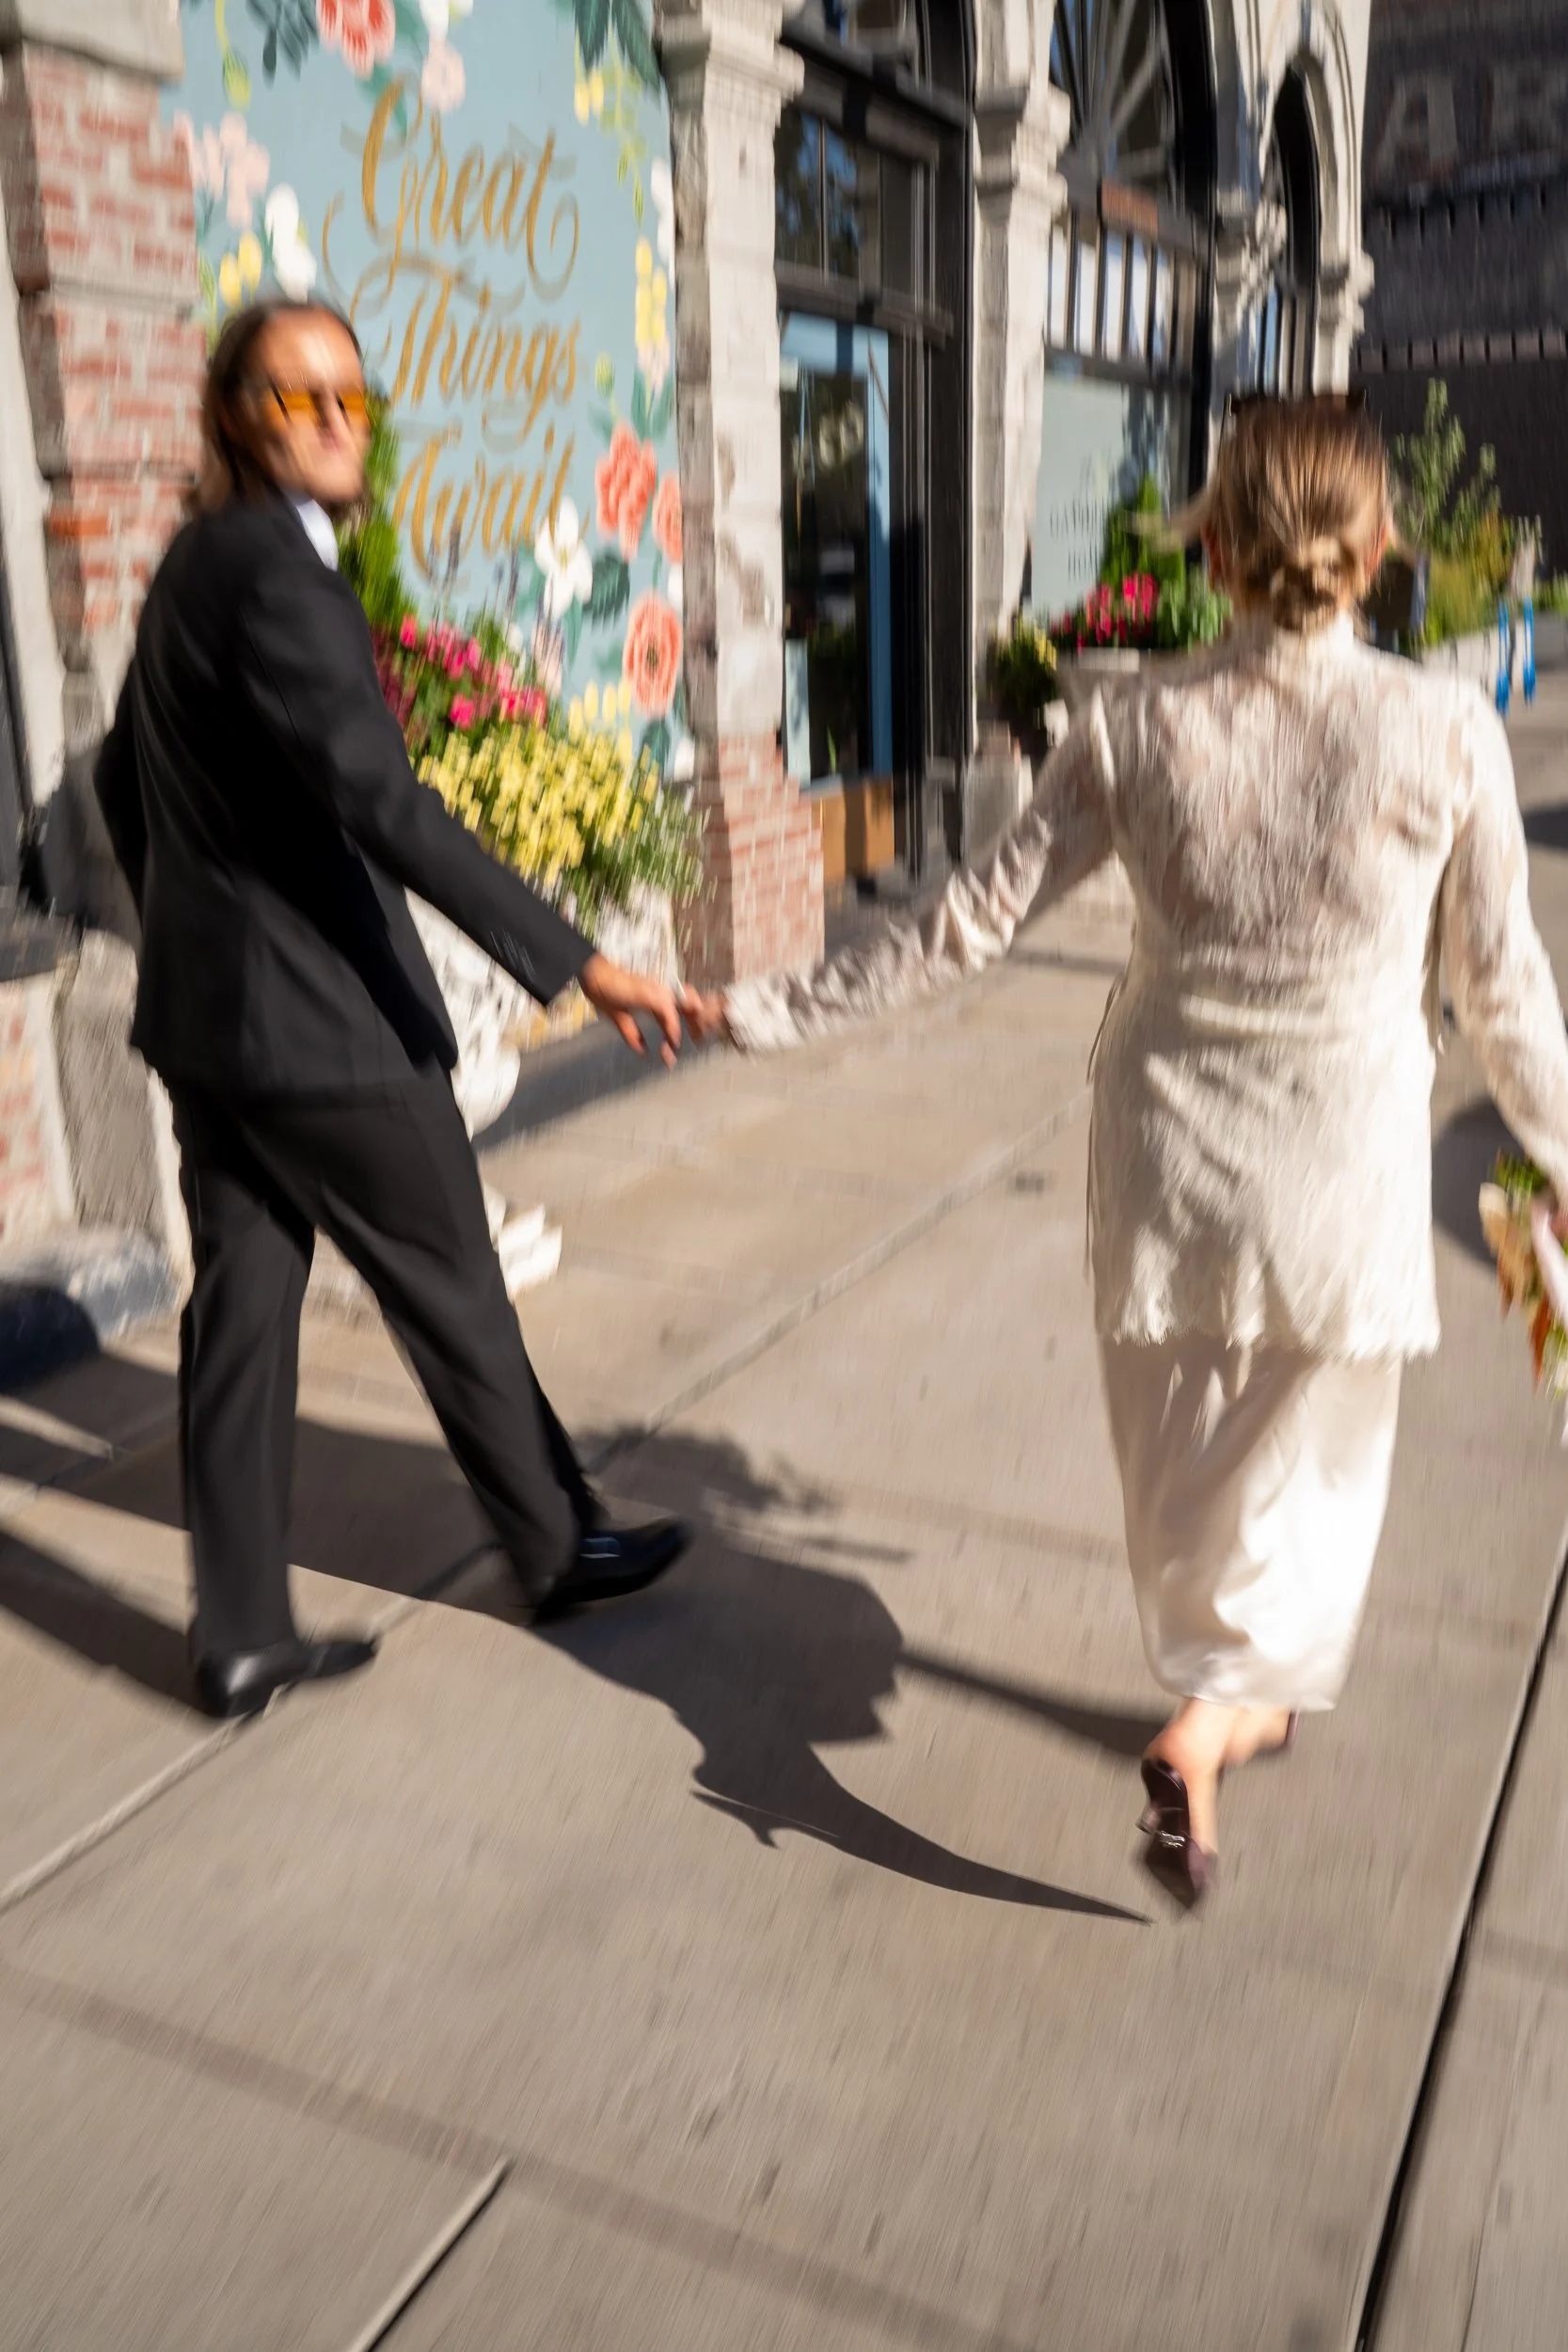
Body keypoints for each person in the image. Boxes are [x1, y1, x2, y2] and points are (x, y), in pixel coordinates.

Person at [685, 396, 1568, 1901]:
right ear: (1372, 554)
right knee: (1311, 1468)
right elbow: (1501, 987)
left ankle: (1224, 1692)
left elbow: (961, 923)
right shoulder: (1441, 727)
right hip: (1340, 1157)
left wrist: (747, 1008)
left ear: (1211, 547)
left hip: (1168, 1148)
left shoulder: (1134, 721)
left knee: (1177, 1462)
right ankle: (1219, 1714)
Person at [96, 296, 696, 1721]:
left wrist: (201, 920)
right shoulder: (282, 575)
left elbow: (128, 780)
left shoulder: (192, 564)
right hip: (325, 1034)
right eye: (295, 397)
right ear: (238, 414)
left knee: (241, 1315)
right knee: (454, 1287)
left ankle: (238, 1634)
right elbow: (379, 797)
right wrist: (580, 958)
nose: (329, 422)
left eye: (348, 399)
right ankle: (554, 1546)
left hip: (213, 1029)